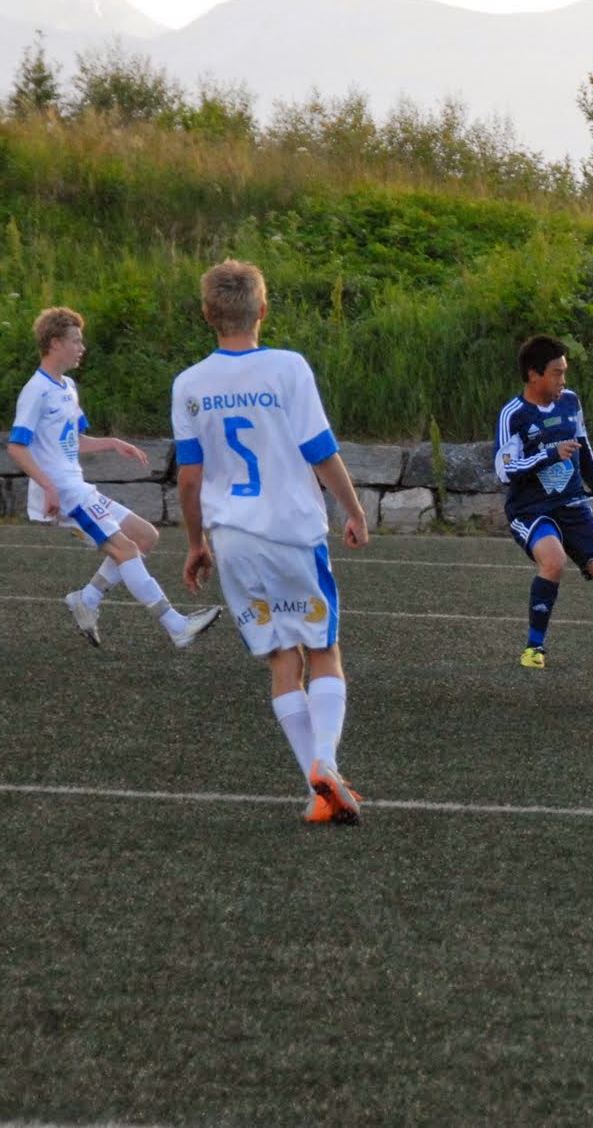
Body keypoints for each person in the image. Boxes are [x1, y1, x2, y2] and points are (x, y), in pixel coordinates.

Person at [171, 261, 371, 826]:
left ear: (207, 314)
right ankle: (326, 762)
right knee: (323, 650)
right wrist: (354, 510)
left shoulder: (189, 384)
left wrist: (196, 542)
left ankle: (318, 790)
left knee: (283, 660)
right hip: (291, 533)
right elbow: (319, 449)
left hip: (232, 541)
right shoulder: (287, 367)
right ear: (262, 310)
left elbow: (189, 478)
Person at [5, 306, 221, 651]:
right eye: (76, 341)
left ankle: (87, 599)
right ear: (56, 343)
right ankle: (176, 626)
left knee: (145, 536)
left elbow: (73, 440)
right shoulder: (36, 390)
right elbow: (17, 446)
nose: (82, 347)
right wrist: (48, 487)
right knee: (126, 549)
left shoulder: (67, 386)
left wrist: (113, 443)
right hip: (65, 492)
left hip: (77, 487)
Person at [497, 334, 593, 669]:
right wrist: (550, 454)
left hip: (571, 506)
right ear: (534, 374)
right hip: (531, 510)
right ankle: (534, 647)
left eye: (564, 372)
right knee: (553, 562)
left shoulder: (570, 402)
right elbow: (505, 470)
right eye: (557, 373)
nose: (563, 380)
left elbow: (583, 444)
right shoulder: (514, 414)